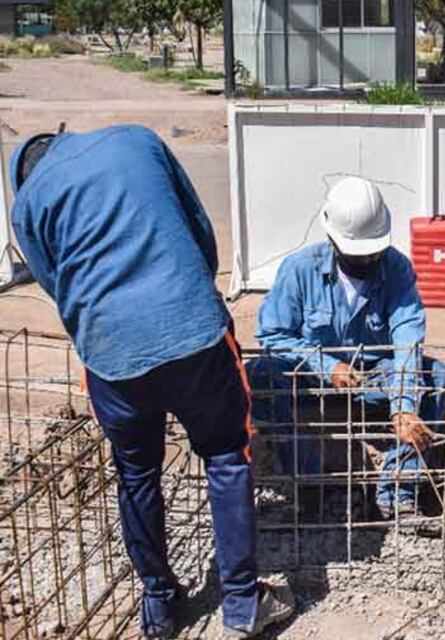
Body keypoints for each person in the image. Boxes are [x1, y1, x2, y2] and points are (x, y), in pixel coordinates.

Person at [8, 125, 294, 639]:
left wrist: (105, 326)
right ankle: (241, 603)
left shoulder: (26, 205)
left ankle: (160, 607)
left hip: (111, 356)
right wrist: (194, 295)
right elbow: (198, 226)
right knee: (228, 455)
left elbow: (54, 283)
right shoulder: (137, 140)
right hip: (194, 333)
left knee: (137, 476)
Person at [248, 176, 445, 519]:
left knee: (438, 377)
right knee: (259, 376)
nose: (367, 259)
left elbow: (407, 339)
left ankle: (398, 490)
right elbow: (272, 337)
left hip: (374, 378)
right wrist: (326, 367)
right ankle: (313, 484)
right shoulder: (300, 270)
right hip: (311, 379)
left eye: (373, 250)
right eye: (357, 252)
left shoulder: (397, 269)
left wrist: (403, 405)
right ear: (331, 236)